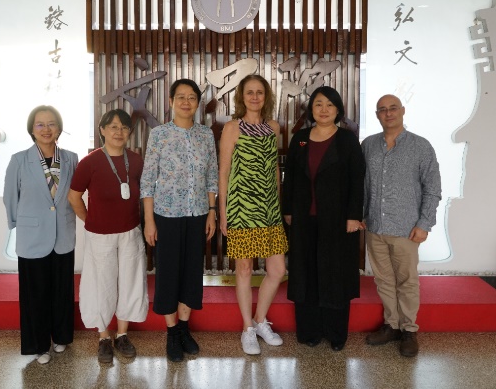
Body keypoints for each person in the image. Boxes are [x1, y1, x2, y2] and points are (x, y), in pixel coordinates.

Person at [281, 86, 365, 352]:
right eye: (318, 104)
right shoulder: (301, 138)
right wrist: (288, 210)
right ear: (311, 109)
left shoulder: (347, 140)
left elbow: (357, 180)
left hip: (338, 221)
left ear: (338, 110)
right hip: (304, 219)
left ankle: (336, 333)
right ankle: (309, 331)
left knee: (335, 275)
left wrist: (354, 216)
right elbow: (290, 178)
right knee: (306, 274)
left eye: (330, 104)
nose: (324, 109)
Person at [140, 79, 218, 362]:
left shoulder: (205, 135)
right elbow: (148, 180)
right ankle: (172, 333)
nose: (186, 102)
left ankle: (184, 329)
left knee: (191, 272)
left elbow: (211, 175)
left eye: (192, 97)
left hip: (198, 214)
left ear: (198, 103)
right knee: (169, 273)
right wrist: (149, 221)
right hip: (167, 215)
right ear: (171, 101)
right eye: (181, 97)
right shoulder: (159, 134)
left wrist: (212, 211)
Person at [362, 94, 441, 357]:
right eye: (382, 109)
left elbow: (433, 188)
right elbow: (363, 184)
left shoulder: (421, 146)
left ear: (403, 110)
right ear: (377, 115)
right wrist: (360, 214)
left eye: (393, 108)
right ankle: (391, 325)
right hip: (375, 226)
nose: (388, 113)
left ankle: (409, 330)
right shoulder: (368, 145)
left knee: (407, 281)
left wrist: (424, 223)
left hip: (406, 228)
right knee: (383, 280)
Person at [68, 109, 148, 364]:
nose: (118, 132)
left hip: (130, 232)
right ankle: (103, 337)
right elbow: (74, 197)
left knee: (130, 282)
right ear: (102, 130)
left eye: (124, 127)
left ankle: (122, 335)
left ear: (129, 133)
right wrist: (90, 220)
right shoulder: (89, 162)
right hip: (100, 235)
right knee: (100, 284)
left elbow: (145, 193)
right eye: (113, 126)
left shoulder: (136, 160)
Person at [218, 74, 288, 355]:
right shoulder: (232, 128)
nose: (255, 97)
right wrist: (223, 214)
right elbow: (224, 173)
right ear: (242, 97)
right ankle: (247, 328)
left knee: (278, 270)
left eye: (260, 92)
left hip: (269, 209)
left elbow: (274, 169)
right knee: (245, 269)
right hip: (241, 208)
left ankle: (260, 320)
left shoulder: (274, 127)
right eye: (250, 92)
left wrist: (278, 205)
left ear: (266, 96)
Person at [3, 105, 78, 365]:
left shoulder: (71, 158)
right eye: (40, 124)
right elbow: (10, 197)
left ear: (59, 128)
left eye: (51, 123)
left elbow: (74, 194)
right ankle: (38, 345)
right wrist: (18, 224)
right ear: (32, 129)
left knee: (62, 290)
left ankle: (61, 336)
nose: (46, 129)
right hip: (32, 236)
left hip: (63, 234)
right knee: (35, 293)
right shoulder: (19, 160)